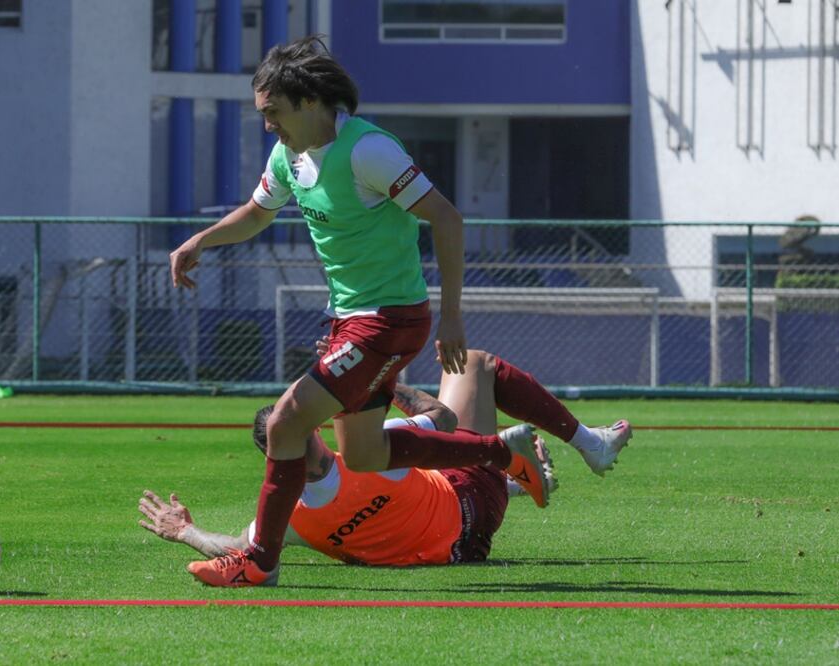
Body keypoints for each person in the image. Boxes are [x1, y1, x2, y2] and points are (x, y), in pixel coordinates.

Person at [170, 36, 569, 587]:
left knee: (285, 421)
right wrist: (201, 240)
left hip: (387, 318)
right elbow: (257, 214)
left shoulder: (367, 151)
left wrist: (452, 316)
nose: (267, 125)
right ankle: (500, 453)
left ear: (310, 101)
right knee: (363, 453)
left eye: (273, 112)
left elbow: (447, 218)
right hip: (350, 320)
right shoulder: (288, 157)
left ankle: (259, 562)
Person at [138, 349, 632, 579]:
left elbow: (240, 547)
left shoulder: (286, 516)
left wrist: (186, 531)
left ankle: (516, 478)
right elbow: (443, 418)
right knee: (474, 364)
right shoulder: (366, 451)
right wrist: (378, 380)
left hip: (463, 551)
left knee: (425, 471)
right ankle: (581, 446)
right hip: (471, 500)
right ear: (313, 428)